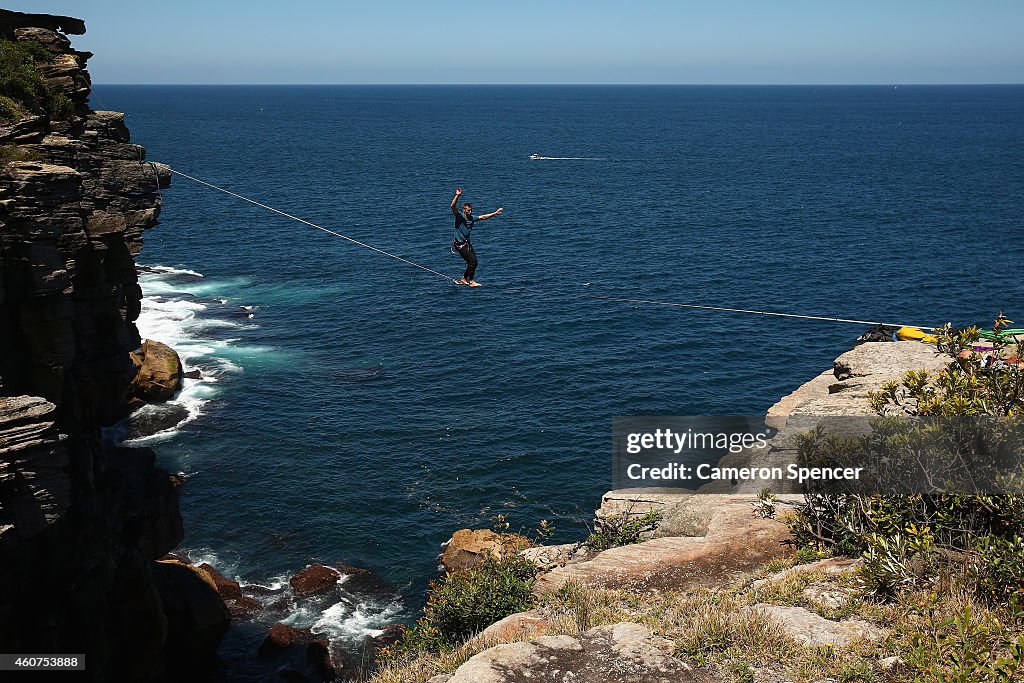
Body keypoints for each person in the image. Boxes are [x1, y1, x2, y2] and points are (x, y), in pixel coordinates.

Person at [451, 187, 503, 287]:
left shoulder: (472, 218)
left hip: (466, 243)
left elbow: (483, 217)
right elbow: (452, 206)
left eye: (471, 210)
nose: (470, 212)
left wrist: (495, 213)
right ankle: (471, 281)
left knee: (474, 262)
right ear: (464, 210)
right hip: (459, 245)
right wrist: (457, 196)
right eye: (468, 211)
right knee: (472, 261)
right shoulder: (459, 217)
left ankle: (464, 279)